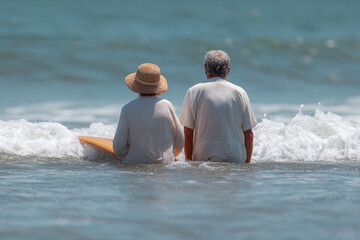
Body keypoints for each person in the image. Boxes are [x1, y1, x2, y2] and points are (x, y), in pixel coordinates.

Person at [180, 50, 257, 163]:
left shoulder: (193, 91)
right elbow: (249, 133)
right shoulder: (239, 92)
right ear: (228, 70)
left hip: (203, 160)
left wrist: (188, 162)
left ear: (205, 68)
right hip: (234, 160)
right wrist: (247, 163)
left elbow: (188, 131)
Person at [113, 63, 184, 164]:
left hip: (135, 164)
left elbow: (118, 148)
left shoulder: (127, 109)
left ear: (136, 85)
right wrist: (171, 155)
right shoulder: (167, 106)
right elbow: (180, 140)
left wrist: (123, 157)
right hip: (165, 166)